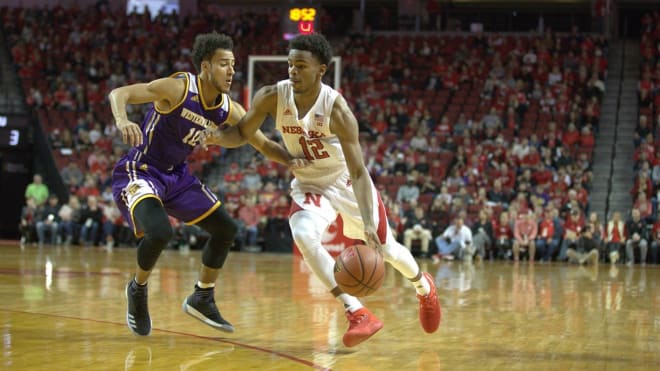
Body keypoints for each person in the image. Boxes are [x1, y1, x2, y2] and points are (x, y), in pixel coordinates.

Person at [200, 33, 440, 347]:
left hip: (345, 182)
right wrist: (219, 137)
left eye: (301, 65)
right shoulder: (272, 96)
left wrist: (368, 221)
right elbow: (243, 133)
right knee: (301, 232)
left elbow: (359, 170)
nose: (293, 71)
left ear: (321, 70)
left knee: (388, 249)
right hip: (310, 182)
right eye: (290, 65)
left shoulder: (337, 110)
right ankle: (356, 311)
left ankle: (424, 287)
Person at [109, 32, 297, 336]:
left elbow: (259, 142)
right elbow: (120, 93)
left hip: (177, 176)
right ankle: (138, 288)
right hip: (141, 169)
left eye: (233, 65)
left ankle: (202, 296)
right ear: (206, 67)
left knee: (227, 229)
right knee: (159, 232)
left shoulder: (227, 107)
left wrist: (294, 160)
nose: (231, 71)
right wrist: (122, 121)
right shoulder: (178, 87)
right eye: (224, 64)